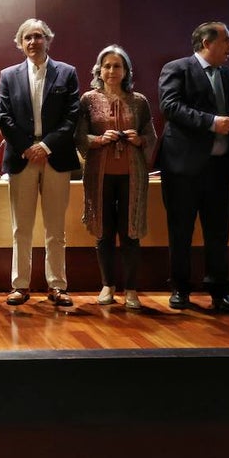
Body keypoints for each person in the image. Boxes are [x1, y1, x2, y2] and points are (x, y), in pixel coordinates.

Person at [157, 21, 229, 313]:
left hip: (219, 168)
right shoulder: (176, 69)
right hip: (183, 169)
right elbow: (170, 107)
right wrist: (210, 122)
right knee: (180, 232)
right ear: (207, 43)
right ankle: (180, 289)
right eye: (226, 41)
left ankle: (220, 291)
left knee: (218, 233)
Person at [0, 18, 80, 307]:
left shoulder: (67, 73)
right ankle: (20, 286)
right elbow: (4, 117)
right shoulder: (8, 75)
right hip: (22, 158)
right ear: (20, 44)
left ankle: (57, 285)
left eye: (38, 36)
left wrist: (45, 145)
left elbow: (72, 117)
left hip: (56, 157)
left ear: (48, 39)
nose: (33, 42)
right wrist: (29, 147)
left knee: (56, 228)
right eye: (27, 38)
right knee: (21, 227)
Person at [75, 45, 157, 310]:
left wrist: (139, 138)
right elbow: (79, 137)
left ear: (126, 71)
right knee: (104, 233)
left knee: (130, 232)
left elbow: (151, 136)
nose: (111, 71)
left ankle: (131, 289)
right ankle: (107, 285)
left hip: (132, 176)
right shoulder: (88, 100)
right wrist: (98, 140)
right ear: (99, 70)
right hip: (100, 176)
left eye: (117, 66)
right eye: (107, 66)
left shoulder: (139, 101)